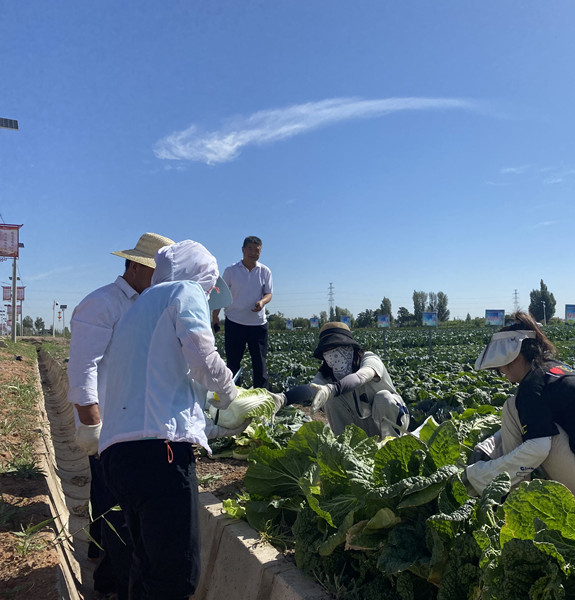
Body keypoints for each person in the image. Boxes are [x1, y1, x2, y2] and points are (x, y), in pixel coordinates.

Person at [98, 240, 244, 599]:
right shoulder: (186, 290)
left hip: (119, 455)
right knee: (175, 577)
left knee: (146, 565)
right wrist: (232, 397)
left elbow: (160, 390)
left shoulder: (137, 310)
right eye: (210, 286)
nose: (210, 295)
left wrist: (212, 427)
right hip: (158, 456)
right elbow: (202, 355)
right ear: (201, 276)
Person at [68, 231, 174, 599]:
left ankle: (107, 575)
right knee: (116, 510)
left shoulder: (152, 305)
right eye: (154, 271)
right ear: (132, 265)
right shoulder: (103, 304)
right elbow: (83, 368)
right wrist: (91, 423)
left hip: (137, 426)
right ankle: (115, 584)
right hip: (109, 425)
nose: (160, 280)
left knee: (118, 507)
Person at [464, 312, 575, 520]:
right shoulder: (557, 372)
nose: (502, 372)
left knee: (515, 411)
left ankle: (516, 502)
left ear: (516, 356)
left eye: (502, 366)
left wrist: (483, 474)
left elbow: (537, 447)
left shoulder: (532, 385)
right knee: (543, 430)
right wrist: (488, 446)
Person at [272, 322, 410, 439]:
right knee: (329, 398)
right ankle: (348, 446)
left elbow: (361, 376)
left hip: (390, 422)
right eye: (328, 351)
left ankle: (392, 444)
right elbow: (310, 389)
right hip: (359, 428)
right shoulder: (326, 375)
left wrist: (333, 389)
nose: (334, 355)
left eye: (338, 347)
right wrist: (284, 398)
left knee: (384, 398)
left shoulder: (369, 359)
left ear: (350, 347)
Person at [211, 235, 273, 389]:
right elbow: (221, 294)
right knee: (233, 363)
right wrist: (215, 316)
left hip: (258, 324)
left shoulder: (265, 271)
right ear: (243, 250)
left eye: (257, 250)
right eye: (250, 249)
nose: (253, 253)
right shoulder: (231, 271)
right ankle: (234, 395)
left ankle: (261, 394)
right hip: (235, 322)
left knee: (260, 363)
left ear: (260, 252)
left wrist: (262, 302)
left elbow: (269, 294)